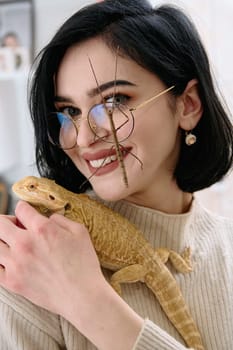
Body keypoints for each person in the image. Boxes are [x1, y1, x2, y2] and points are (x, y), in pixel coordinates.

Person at [0, 0, 233, 349]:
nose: (83, 138)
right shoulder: (31, 266)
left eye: (113, 102)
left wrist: (93, 305)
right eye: (69, 112)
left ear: (188, 105)